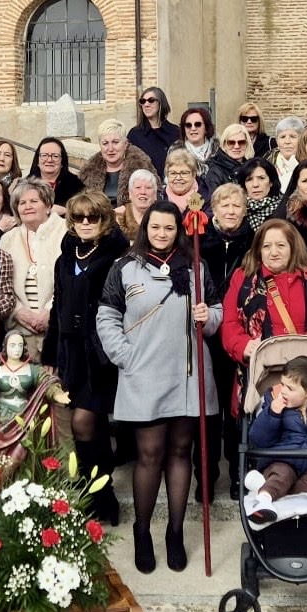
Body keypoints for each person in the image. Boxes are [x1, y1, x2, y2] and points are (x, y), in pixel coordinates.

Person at [97, 202, 223, 574]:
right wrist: (124, 354)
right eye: (156, 227)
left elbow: (216, 309)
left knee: (181, 451)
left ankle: (175, 532)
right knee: (149, 454)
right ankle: (142, 531)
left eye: (170, 228)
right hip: (143, 372)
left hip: (187, 372)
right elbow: (106, 314)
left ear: (178, 231)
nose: (163, 233)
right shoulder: (126, 267)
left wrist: (209, 316)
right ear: (145, 228)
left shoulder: (196, 265)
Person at [221, 218, 307, 496]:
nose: (274, 251)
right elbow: (230, 324)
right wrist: (243, 345)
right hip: (265, 380)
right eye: (266, 246)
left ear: (294, 247)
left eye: (281, 245)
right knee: (265, 432)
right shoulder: (244, 279)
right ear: (258, 249)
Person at [43, 190, 130, 524]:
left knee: (85, 421)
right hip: (70, 353)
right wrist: (51, 350)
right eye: (78, 217)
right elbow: (58, 306)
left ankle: (100, 492)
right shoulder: (66, 256)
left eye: (92, 217)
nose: (85, 223)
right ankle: (98, 493)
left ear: (104, 219)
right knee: (83, 426)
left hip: (100, 354)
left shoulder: (117, 256)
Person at [198, 183, 255, 499]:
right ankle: (205, 475)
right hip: (206, 335)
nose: (231, 211)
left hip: (239, 334)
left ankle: (238, 474)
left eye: (236, 205)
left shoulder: (253, 242)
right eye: (225, 205)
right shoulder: (200, 241)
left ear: (244, 209)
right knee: (206, 411)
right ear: (214, 209)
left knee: (236, 410)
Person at [245, 356, 307, 524]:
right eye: (282, 384)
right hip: (283, 459)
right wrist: (272, 414)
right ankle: (263, 501)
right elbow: (259, 439)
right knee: (282, 475)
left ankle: (266, 487)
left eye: (290, 388)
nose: (283, 390)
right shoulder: (275, 405)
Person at [0, 329, 72, 472]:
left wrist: (57, 394)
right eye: (12, 345)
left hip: (26, 419)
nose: (16, 349)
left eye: (20, 345)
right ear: (5, 347)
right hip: (0, 421)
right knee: (0, 465)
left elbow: (47, 382)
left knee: (25, 457)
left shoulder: (33, 369)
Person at [0, 178, 67, 359]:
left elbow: (69, 281)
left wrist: (49, 313)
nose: (27, 206)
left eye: (34, 201)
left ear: (47, 205)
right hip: (20, 333)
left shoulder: (66, 232)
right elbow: (3, 284)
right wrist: (18, 312)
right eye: (22, 203)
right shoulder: (8, 239)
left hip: (56, 329)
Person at [81, 119, 156, 207]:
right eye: (105, 143)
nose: (110, 148)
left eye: (115, 142)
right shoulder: (88, 173)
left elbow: (153, 198)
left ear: (125, 144)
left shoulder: (142, 167)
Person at [27, 136, 84, 216]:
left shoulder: (76, 185)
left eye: (55, 156)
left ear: (62, 161)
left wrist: (66, 211)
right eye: (44, 155)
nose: (49, 160)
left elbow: (85, 212)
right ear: (37, 160)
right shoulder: (25, 185)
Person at [129, 85, 179, 174]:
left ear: (161, 102)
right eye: (142, 101)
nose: (146, 104)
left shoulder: (175, 132)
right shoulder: (135, 135)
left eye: (151, 100)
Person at [174, 106, 219, 186]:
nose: (193, 128)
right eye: (188, 125)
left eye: (198, 124)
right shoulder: (175, 152)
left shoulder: (219, 150)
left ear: (206, 128)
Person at [206, 122, 252, 194]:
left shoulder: (251, 168)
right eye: (231, 142)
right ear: (224, 145)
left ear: (246, 144)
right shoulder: (215, 172)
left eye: (241, 142)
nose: (236, 146)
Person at [239, 157, 283, 231]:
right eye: (249, 179)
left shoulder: (285, 209)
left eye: (261, 178)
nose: (255, 184)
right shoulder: (238, 212)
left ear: (271, 182)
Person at [117, 169, 159, 240]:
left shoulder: (162, 216)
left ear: (155, 194)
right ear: (130, 193)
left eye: (148, 188)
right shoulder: (119, 216)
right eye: (138, 187)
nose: (143, 192)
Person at [268, 115, 305, 192]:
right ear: (277, 141)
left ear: (301, 140)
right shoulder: (267, 163)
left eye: (292, 136)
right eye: (282, 137)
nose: (287, 141)